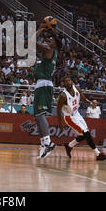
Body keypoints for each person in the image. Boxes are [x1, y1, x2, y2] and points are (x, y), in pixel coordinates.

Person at [57, 76, 106, 161]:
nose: (69, 82)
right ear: (63, 84)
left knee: (85, 134)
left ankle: (69, 146)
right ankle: (98, 154)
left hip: (77, 114)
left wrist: (90, 103)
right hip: (70, 117)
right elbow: (58, 110)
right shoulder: (63, 96)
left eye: (69, 80)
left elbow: (83, 99)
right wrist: (60, 124)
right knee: (86, 134)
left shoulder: (77, 88)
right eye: (66, 81)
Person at [32, 26, 60, 159]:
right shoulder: (50, 52)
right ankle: (44, 144)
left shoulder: (49, 49)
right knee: (38, 116)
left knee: (40, 114)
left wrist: (41, 29)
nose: (47, 39)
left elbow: (32, 42)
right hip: (43, 84)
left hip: (44, 84)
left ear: (54, 44)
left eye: (50, 39)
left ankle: (48, 142)